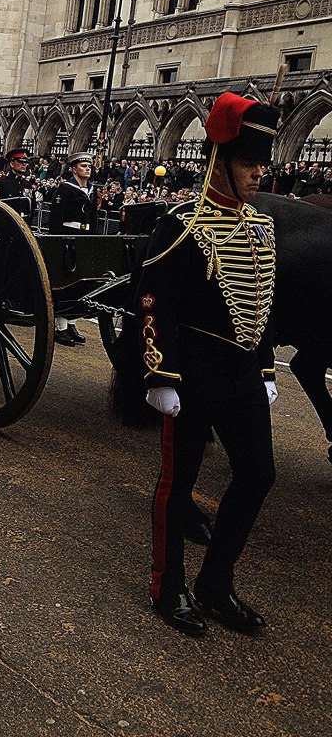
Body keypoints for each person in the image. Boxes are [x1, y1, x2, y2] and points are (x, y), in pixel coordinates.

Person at [135, 91, 279, 637]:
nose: (258, 173)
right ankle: (167, 586)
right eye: (248, 162)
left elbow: (262, 305)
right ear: (222, 162)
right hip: (192, 374)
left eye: (261, 163)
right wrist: (160, 373)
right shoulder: (181, 225)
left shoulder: (262, 228)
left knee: (259, 474)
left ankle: (216, 582)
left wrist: (264, 370)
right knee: (179, 483)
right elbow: (153, 303)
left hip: (242, 375)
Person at [48, 151, 98, 346]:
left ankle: (71, 323)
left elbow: (93, 217)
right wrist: (58, 240)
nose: (87, 169)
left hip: (83, 237)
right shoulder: (65, 189)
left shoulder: (92, 190)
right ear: (73, 169)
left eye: (89, 167)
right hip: (67, 236)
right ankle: (60, 326)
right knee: (64, 281)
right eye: (83, 166)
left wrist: (91, 239)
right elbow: (55, 218)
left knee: (79, 282)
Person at [0, 148, 36, 223]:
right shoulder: (2, 182)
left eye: (26, 162)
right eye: (20, 162)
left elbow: (32, 206)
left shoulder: (27, 184)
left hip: (24, 225)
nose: (24, 164)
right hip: (6, 224)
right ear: (12, 164)